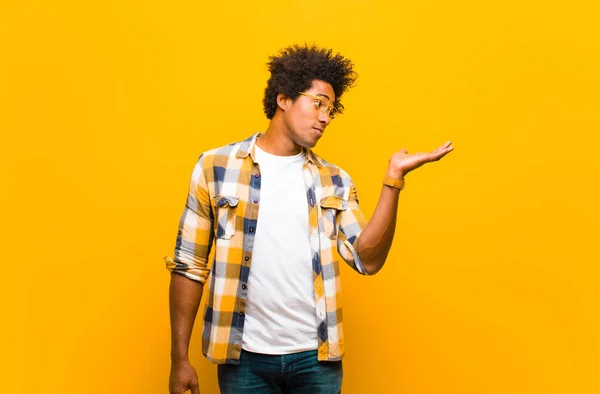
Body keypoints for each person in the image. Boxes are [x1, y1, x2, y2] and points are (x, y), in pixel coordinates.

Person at [165, 44, 454, 394]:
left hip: (316, 360)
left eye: (331, 109)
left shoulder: (334, 180)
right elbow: (189, 265)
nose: (325, 117)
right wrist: (179, 358)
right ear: (283, 98)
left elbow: (368, 258)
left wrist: (393, 181)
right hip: (243, 358)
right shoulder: (215, 168)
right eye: (318, 103)